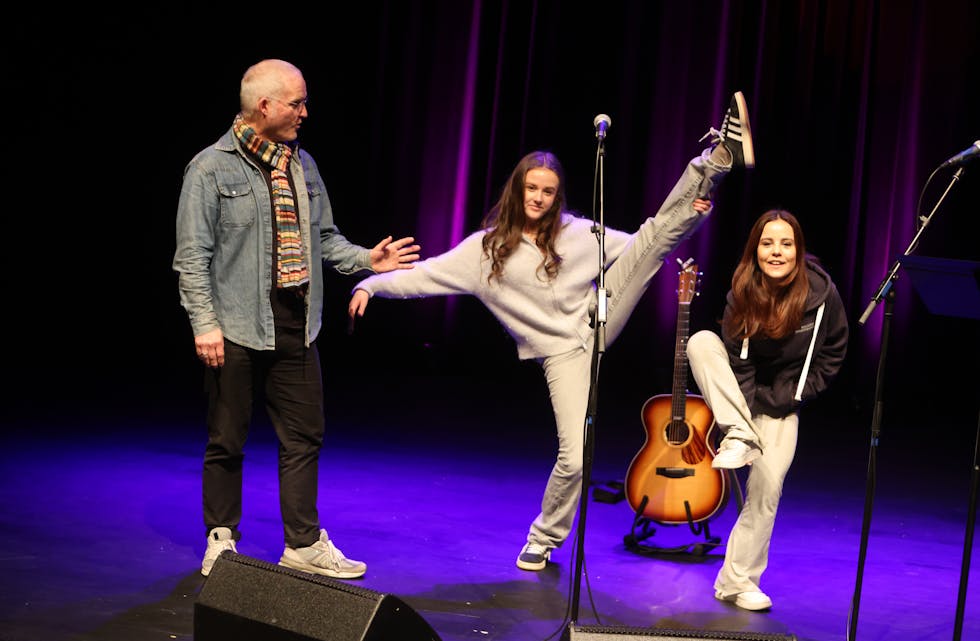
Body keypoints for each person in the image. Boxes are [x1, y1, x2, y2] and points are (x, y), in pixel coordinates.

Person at [348, 92, 756, 571]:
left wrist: (688, 216)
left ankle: (717, 159)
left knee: (654, 238)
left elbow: (646, 243)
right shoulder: (484, 252)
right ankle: (543, 537)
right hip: (563, 354)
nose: (539, 198)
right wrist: (372, 285)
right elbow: (426, 276)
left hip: (601, 312)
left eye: (548, 191)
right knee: (576, 459)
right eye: (532, 189)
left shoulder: (577, 232)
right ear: (517, 191)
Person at [173, 59, 421, 579]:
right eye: (296, 102)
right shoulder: (210, 169)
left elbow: (324, 238)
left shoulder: (302, 165)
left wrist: (366, 260)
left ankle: (303, 544)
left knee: (304, 437)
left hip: (297, 323)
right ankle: (222, 538)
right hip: (236, 326)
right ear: (264, 106)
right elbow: (192, 257)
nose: (305, 112)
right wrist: (204, 324)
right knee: (227, 437)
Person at [686, 209, 848, 611]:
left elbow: (831, 354)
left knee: (767, 487)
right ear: (755, 249)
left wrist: (790, 399)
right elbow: (739, 362)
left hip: (783, 402)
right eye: (767, 243)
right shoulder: (742, 289)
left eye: (786, 244)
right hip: (739, 399)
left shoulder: (821, 295)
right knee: (702, 342)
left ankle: (737, 582)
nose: (776, 252)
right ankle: (738, 434)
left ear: (798, 250)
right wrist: (742, 418)